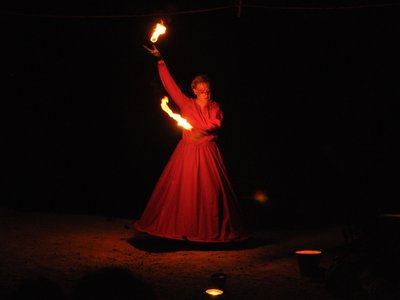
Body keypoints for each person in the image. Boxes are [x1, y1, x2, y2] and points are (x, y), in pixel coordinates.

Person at [133, 44, 248, 243]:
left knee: (211, 193)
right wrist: (160, 60)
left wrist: (203, 130)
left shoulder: (215, 106)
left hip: (208, 152)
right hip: (187, 152)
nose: (206, 93)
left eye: (208, 90)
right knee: (184, 193)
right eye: (201, 90)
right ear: (194, 90)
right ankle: (184, 227)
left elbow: (216, 123)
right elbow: (170, 86)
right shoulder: (186, 104)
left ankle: (209, 230)